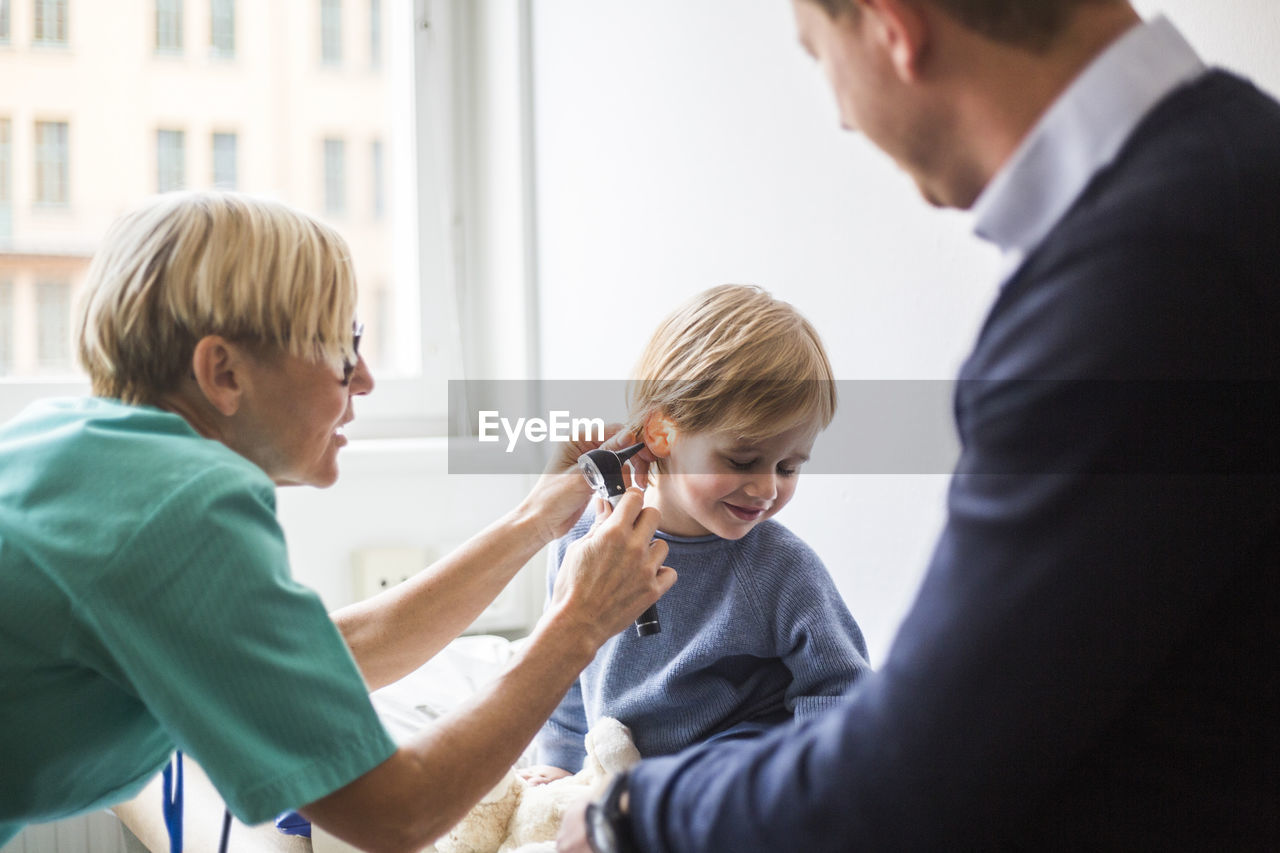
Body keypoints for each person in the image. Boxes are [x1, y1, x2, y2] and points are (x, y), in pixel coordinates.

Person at [560, 0, 1280, 850]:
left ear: (892, 27)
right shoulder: (1239, 172)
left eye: (818, 54)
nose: (838, 111)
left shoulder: (1142, 280)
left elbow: (913, 768)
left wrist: (633, 809)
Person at [0, 190, 675, 853]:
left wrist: (535, 519)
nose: (367, 380)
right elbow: (396, 815)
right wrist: (577, 625)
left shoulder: (74, 442)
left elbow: (319, 657)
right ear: (223, 371)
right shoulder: (181, 509)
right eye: (344, 348)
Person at [525, 284, 870, 779]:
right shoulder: (583, 543)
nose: (766, 488)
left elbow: (841, 692)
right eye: (743, 460)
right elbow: (560, 666)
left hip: (729, 781)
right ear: (662, 434)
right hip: (615, 769)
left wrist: (809, 784)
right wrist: (559, 763)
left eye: (789, 468)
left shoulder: (781, 568)